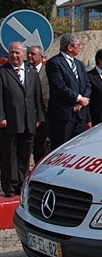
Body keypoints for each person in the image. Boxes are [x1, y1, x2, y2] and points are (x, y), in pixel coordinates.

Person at [0, 42, 45, 197]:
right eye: (11, 52)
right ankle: (9, 185)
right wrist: (1, 117)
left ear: (24, 55)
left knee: (25, 154)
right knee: (9, 155)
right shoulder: (3, 72)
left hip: (29, 120)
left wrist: (39, 116)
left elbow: (37, 96)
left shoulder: (31, 73)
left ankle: (21, 183)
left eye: (17, 53)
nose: (14, 55)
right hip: (10, 121)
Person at [46, 33, 91, 149]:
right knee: (61, 149)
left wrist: (81, 102)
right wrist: (78, 98)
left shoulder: (79, 64)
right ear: (69, 47)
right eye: (78, 45)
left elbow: (87, 85)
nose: (80, 48)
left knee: (78, 149)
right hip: (63, 116)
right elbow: (59, 87)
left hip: (80, 116)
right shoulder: (54, 63)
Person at [27, 45, 50, 163]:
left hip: (45, 116)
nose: (29, 56)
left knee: (40, 147)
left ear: (41, 57)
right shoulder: (24, 70)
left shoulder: (49, 72)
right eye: (28, 53)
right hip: (28, 116)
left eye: (33, 54)